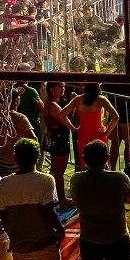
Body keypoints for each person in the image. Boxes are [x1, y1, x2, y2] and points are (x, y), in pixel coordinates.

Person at [61, 83, 120, 169]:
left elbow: (62, 114)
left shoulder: (78, 99)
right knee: (101, 164)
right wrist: (107, 132)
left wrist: (73, 128)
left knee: (85, 164)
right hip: (99, 135)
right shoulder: (101, 100)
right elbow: (116, 117)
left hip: (83, 135)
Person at [41, 81, 77, 210]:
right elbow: (66, 121)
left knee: (56, 170)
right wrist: (76, 129)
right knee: (59, 172)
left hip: (56, 138)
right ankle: (62, 200)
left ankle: (55, 196)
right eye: (59, 87)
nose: (63, 89)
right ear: (51, 89)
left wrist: (72, 104)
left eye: (63, 87)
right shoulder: (53, 106)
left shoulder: (51, 103)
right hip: (59, 139)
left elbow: (67, 118)